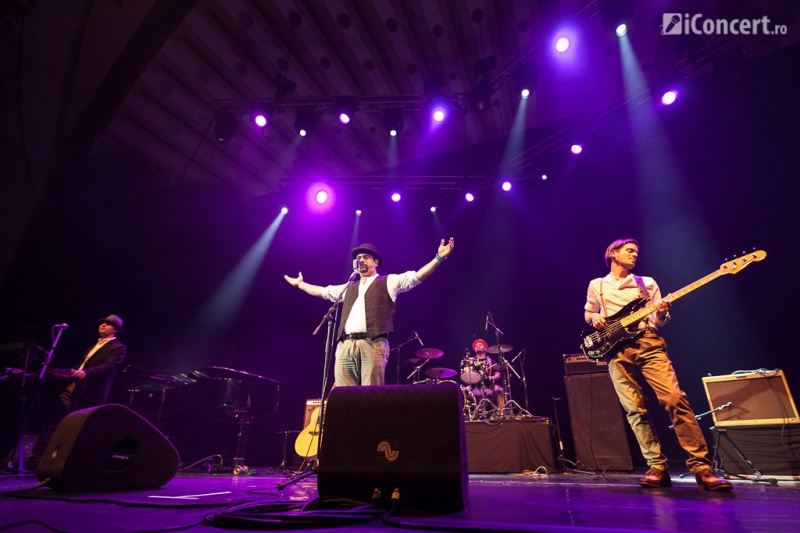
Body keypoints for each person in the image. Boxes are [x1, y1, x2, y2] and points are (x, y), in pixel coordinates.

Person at [584, 239, 732, 491]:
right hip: (616, 352)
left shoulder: (647, 283)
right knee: (635, 409)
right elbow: (589, 313)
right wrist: (595, 316)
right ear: (613, 253)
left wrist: (662, 311)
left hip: (648, 343)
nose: (634, 255)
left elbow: (659, 320)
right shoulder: (596, 284)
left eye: (636, 252)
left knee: (675, 399)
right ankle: (656, 466)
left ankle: (701, 466)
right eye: (629, 251)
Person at [284, 239, 454, 386]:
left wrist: (438, 258)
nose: (361, 260)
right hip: (345, 345)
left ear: (376, 262)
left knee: (370, 395)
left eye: (366, 257)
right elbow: (323, 292)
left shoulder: (388, 281)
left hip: (373, 343)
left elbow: (416, 277)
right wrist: (300, 284)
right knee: (344, 396)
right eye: (358, 258)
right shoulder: (348, 287)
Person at [27, 314, 127, 469]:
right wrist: (64, 371)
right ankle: (37, 459)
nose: (103, 325)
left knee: (78, 428)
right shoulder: (94, 345)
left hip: (90, 392)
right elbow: (82, 366)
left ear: (115, 330)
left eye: (108, 324)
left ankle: (71, 462)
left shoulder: (118, 348)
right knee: (55, 421)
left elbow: (109, 366)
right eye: (102, 323)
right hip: (74, 387)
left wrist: (86, 372)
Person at [465, 339, 504, 410]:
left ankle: (501, 412)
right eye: (476, 346)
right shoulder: (471, 361)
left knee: (500, 390)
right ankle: (467, 413)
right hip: (474, 386)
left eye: (480, 345)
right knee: (464, 390)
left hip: (489, 385)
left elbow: (498, 375)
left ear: (485, 348)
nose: (478, 346)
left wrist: (492, 378)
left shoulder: (491, 361)